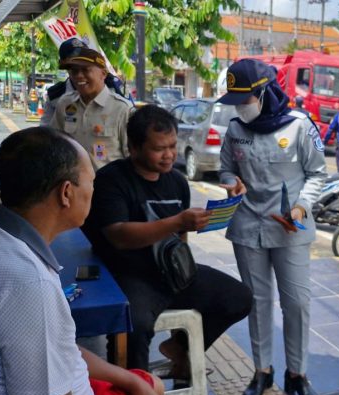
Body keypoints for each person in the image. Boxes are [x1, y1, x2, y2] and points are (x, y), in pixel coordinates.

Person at [0, 127, 166, 395]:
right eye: (90, 182)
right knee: (152, 394)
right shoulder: (26, 279)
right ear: (66, 193)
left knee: (148, 383)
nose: (93, 190)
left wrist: (130, 381)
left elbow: (58, 351)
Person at [81, 105, 252, 377]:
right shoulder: (111, 180)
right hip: (131, 276)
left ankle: (179, 347)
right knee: (133, 327)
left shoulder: (176, 181)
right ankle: (134, 392)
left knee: (240, 297)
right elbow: (119, 235)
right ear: (134, 148)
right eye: (159, 148)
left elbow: (180, 238)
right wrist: (177, 222)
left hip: (171, 272)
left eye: (173, 146)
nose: (169, 154)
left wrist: (185, 256)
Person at [217, 59, 326, 395]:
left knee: (296, 302)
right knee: (257, 303)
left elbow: (318, 174)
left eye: (245, 100)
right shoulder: (235, 129)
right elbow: (225, 168)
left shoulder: (299, 127)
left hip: (290, 227)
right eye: (235, 101)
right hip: (248, 226)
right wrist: (230, 182)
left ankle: (297, 375)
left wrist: (300, 207)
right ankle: (261, 371)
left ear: (265, 91)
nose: (240, 108)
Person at [49, 42, 133, 169]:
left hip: (108, 186)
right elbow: (54, 144)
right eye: (74, 71)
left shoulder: (122, 109)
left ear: (103, 74)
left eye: (86, 70)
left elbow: (132, 156)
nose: (79, 76)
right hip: (72, 185)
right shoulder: (65, 103)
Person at [41, 38, 128, 127]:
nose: (79, 75)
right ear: (63, 64)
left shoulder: (111, 85)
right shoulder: (57, 96)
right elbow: (47, 133)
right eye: (74, 66)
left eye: (86, 68)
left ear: (103, 74)